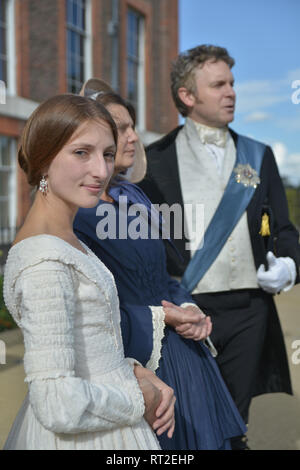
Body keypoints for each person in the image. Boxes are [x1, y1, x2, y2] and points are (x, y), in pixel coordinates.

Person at [139, 45, 300, 449]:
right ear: (187, 96)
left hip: (250, 309)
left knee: (234, 420)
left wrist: (289, 265)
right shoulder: (154, 160)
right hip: (189, 310)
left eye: (232, 83)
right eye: (218, 85)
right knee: (193, 419)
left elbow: (283, 227)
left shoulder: (257, 155)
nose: (231, 92)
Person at [74, 78, 247, 450]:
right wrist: (162, 317)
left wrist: (187, 306)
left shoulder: (133, 195)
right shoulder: (78, 214)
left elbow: (162, 274)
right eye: (121, 129)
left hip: (187, 358)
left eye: (133, 126)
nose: (134, 137)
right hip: (137, 362)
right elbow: (88, 307)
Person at [3, 94, 176, 450]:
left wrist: (132, 369)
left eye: (108, 154)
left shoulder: (66, 241)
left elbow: (91, 348)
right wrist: (139, 397)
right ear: (44, 159)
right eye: (82, 152)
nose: (101, 171)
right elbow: (57, 403)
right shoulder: (44, 262)